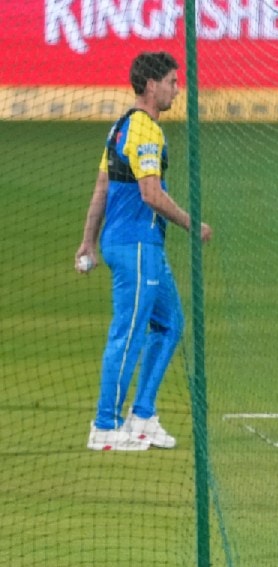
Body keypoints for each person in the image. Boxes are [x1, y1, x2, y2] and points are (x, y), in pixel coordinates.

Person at [76, 51, 213, 452]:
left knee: (170, 323)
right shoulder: (144, 130)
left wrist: (88, 240)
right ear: (152, 85)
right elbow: (151, 194)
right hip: (136, 245)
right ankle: (105, 426)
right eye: (172, 82)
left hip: (135, 244)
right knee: (129, 332)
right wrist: (192, 224)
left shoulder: (120, 127)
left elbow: (102, 187)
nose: (176, 90)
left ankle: (142, 417)